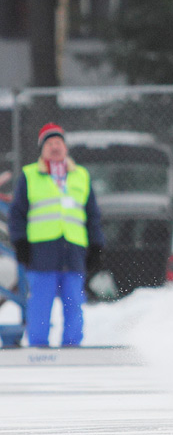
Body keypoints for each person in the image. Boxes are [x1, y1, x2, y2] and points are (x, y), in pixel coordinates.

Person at [8, 123, 104, 347]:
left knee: (74, 301)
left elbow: (93, 215)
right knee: (40, 302)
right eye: (49, 144)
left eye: (58, 143)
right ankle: (38, 347)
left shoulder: (81, 175)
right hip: (41, 251)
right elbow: (17, 214)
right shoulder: (30, 175)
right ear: (42, 149)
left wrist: (96, 245)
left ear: (66, 148)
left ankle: (72, 346)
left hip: (73, 251)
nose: (55, 147)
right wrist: (20, 243)